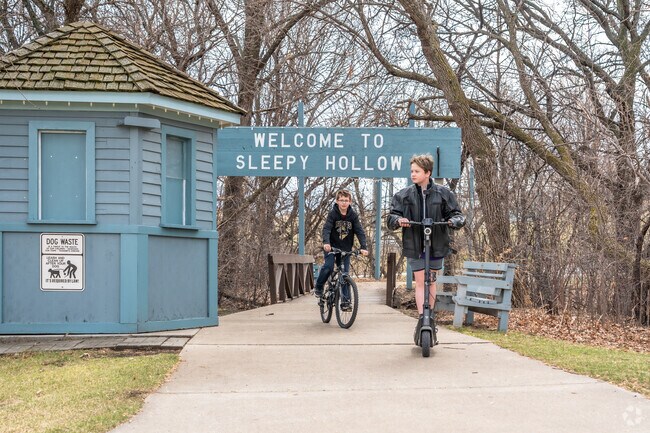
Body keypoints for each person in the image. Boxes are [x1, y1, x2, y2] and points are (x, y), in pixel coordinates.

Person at [386, 154, 465, 342]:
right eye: (412, 171)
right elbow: (391, 217)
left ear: (427, 173)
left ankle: (430, 317)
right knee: (421, 281)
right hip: (414, 244)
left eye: (417, 171)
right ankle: (423, 317)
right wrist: (398, 220)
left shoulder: (444, 194)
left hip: (436, 244)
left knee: (431, 280)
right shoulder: (403, 195)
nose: (413, 174)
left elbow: (458, 214)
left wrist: (453, 221)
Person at [315, 189, 369, 310]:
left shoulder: (353, 216)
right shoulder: (333, 214)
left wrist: (363, 247)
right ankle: (319, 286)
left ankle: (345, 302)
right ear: (337, 201)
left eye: (346, 200)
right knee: (328, 267)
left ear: (350, 202)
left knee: (344, 275)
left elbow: (360, 231)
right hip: (331, 247)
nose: (344, 203)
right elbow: (327, 229)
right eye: (341, 200)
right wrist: (326, 243)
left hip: (345, 250)